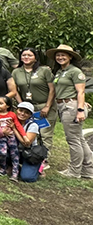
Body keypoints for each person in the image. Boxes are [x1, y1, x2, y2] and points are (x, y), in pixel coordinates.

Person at [46, 44, 93, 179]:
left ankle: (74, 171)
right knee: (79, 139)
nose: (60, 57)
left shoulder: (75, 71)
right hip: (63, 105)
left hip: (71, 106)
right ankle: (88, 170)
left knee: (73, 140)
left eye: (63, 55)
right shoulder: (60, 71)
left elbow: (81, 91)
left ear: (70, 57)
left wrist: (80, 110)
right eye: (58, 55)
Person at [13, 48, 55, 156]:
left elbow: (52, 89)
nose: (26, 57)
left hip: (43, 106)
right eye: (24, 55)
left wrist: (47, 106)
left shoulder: (44, 70)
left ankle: (44, 158)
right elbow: (14, 90)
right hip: (27, 108)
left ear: (35, 58)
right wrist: (21, 104)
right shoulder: (16, 72)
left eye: (30, 55)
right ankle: (29, 155)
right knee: (28, 131)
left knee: (45, 133)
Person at [15, 102, 44, 182]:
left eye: (26, 112)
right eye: (20, 110)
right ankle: (11, 165)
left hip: (29, 154)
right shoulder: (11, 121)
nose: (22, 114)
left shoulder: (33, 125)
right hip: (14, 150)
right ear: (16, 110)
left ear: (30, 115)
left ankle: (38, 168)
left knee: (27, 178)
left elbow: (26, 143)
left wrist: (14, 129)